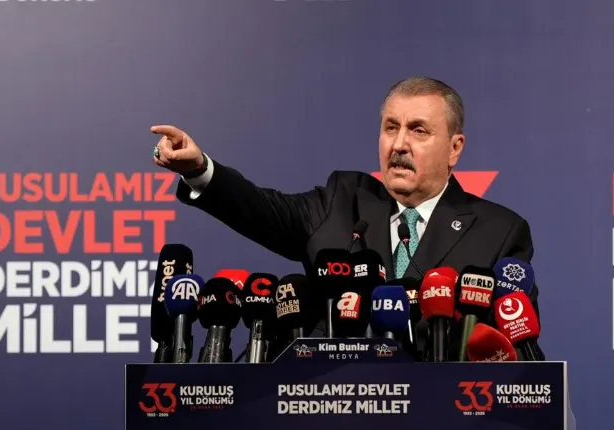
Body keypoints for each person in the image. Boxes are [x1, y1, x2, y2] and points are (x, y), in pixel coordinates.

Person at [150, 76, 540, 348]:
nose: (399, 144)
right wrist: (199, 169)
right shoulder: (341, 201)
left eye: (419, 130)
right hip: (329, 418)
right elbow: (261, 210)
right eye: (391, 128)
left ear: (454, 148)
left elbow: (513, 349)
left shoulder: (499, 232)